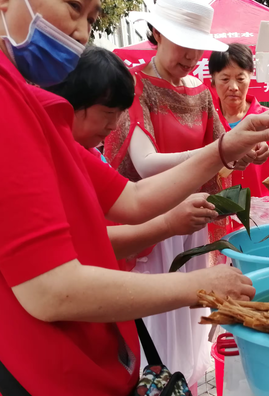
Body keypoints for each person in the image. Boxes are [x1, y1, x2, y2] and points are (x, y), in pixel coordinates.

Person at [0, 0, 269, 396]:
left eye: (92, 17)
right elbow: (51, 289)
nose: (84, 31)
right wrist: (197, 286)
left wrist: (225, 147)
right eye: (73, 5)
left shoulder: (30, 104)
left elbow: (130, 200)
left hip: (82, 394)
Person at [49, 46, 218, 266]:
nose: (115, 124)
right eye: (109, 114)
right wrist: (167, 223)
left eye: (120, 114)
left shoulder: (89, 153)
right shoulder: (62, 157)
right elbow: (131, 200)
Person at [209, 43, 269, 220]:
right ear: (212, 80)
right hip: (221, 217)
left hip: (264, 215)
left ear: (251, 76)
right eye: (224, 79)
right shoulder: (207, 121)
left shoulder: (267, 119)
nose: (233, 87)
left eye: (240, 78)